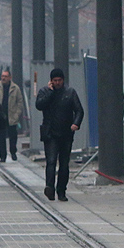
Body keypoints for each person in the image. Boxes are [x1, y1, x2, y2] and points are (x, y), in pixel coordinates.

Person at [35, 68, 83, 201]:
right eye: (55, 80)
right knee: (51, 161)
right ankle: (49, 187)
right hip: (50, 134)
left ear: (63, 80)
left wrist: (76, 123)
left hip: (66, 133)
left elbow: (79, 110)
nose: (57, 83)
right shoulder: (45, 92)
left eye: (59, 80)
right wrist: (50, 93)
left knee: (64, 163)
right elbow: (39, 105)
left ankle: (61, 190)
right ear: (51, 81)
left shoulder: (70, 92)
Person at [0, 69, 27, 162]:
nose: (3, 78)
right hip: (0, 117)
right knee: (1, 137)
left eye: (5, 76)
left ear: (10, 77)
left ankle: (13, 151)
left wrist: (17, 115)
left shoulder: (15, 88)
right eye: (2, 76)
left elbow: (20, 103)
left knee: (13, 136)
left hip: (12, 116)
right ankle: (2, 156)